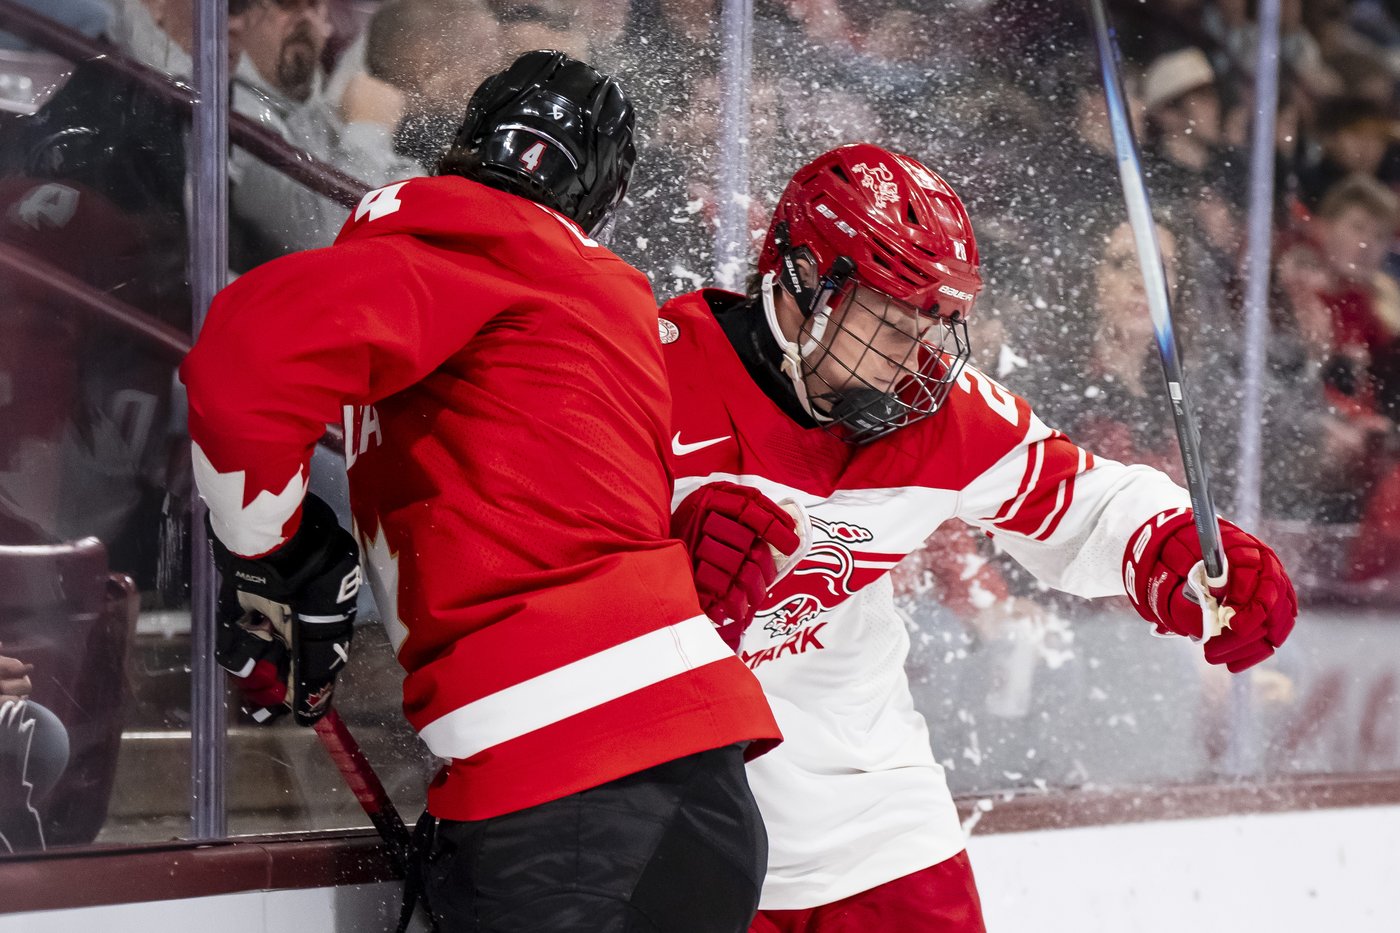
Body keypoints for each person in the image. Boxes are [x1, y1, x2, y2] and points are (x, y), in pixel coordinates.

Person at [181, 50, 782, 931]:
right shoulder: (566, 302)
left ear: (465, 147)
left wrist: (270, 546)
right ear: (603, 200)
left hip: (580, 797)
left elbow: (244, 359)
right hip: (634, 784)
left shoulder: (477, 244)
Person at [659, 143, 1298, 931]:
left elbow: (1083, 499)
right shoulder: (643, 380)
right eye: (895, 325)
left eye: (939, 326)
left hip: (877, 828)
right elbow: (512, 579)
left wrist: (1181, 550)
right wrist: (658, 586)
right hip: (670, 829)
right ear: (799, 280)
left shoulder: (936, 405)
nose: (919, 362)